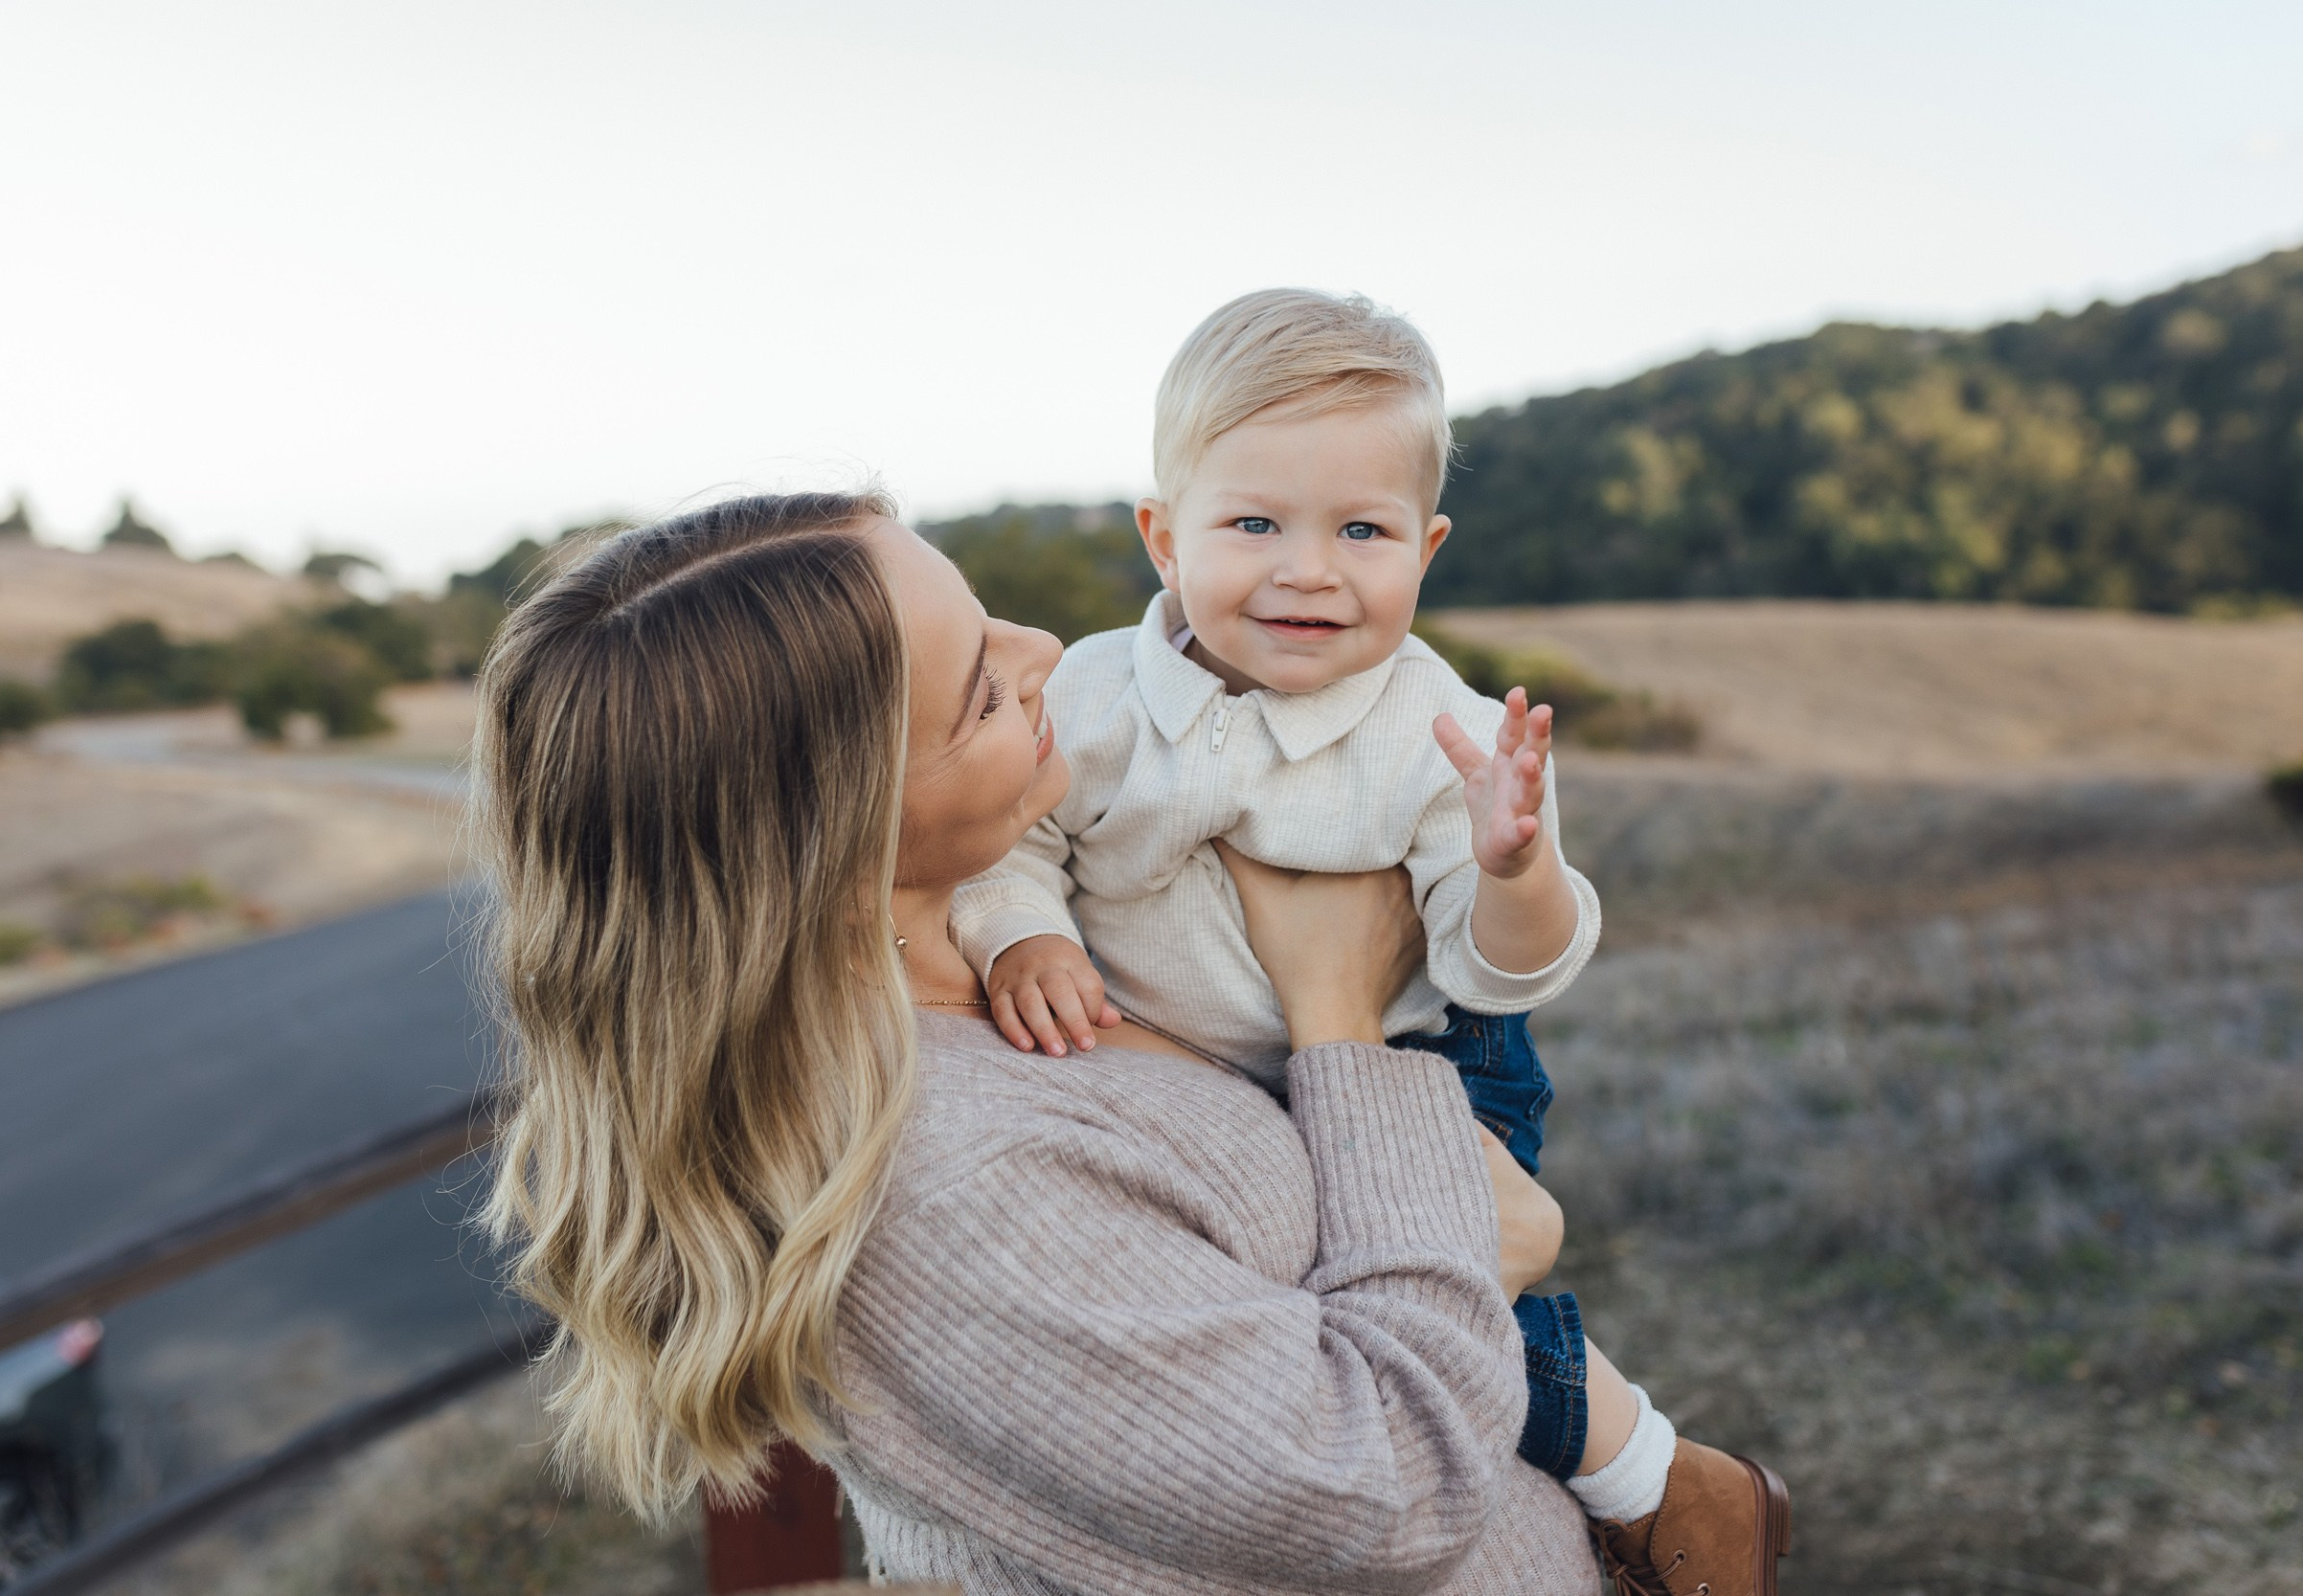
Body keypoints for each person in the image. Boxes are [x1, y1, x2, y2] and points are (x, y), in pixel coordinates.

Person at [474, 492, 1620, 1594]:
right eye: (981, 691)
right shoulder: (947, 1185)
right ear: (831, 835)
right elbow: (1391, 1493)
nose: (1046, 652)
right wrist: (1345, 1026)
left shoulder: (1018, 936)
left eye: (993, 620)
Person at [950, 289, 1787, 1592]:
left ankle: (1666, 1488)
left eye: (1361, 528)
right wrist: (1022, 939)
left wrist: (1516, 868)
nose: (1308, 567)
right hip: (1207, 1077)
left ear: (1427, 546)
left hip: (1418, 1063)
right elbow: (1013, 845)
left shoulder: (1434, 730)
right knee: (1303, 1323)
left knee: (1441, 1308)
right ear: (1163, 536)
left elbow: (1496, 962)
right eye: (1253, 523)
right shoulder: (1093, 696)